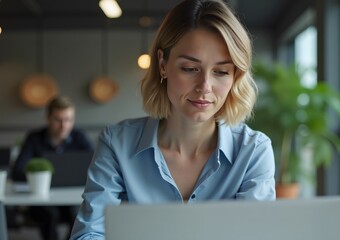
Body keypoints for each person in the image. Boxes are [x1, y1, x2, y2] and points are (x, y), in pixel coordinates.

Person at [70, 0, 276, 239]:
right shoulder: (117, 144)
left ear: (235, 77)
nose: (205, 87)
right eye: (190, 68)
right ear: (163, 64)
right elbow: (89, 233)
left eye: (221, 72)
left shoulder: (253, 151)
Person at [11, 95, 94, 240]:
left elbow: (95, 165)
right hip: (42, 203)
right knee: (50, 214)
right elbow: (17, 171)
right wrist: (39, 178)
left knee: (79, 214)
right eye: (58, 120)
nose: (64, 125)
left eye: (68, 120)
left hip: (70, 200)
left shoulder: (79, 137)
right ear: (48, 118)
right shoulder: (34, 138)